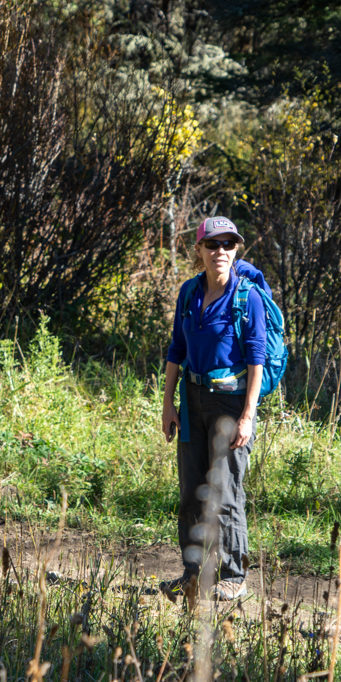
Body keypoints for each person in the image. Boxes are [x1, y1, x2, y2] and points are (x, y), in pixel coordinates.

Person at [160, 216, 266, 601]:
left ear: (236, 250)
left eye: (227, 245)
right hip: (191, 401)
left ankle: (233, 575)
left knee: (224, 491)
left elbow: (256, 360)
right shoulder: (188, 293)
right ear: (199, 251)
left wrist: (247, 416)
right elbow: (176, 350)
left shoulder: (246, 298)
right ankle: (193, 574)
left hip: (231, 401)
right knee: (191, 491)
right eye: (211, 244)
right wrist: (168, 403)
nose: (219, 251)